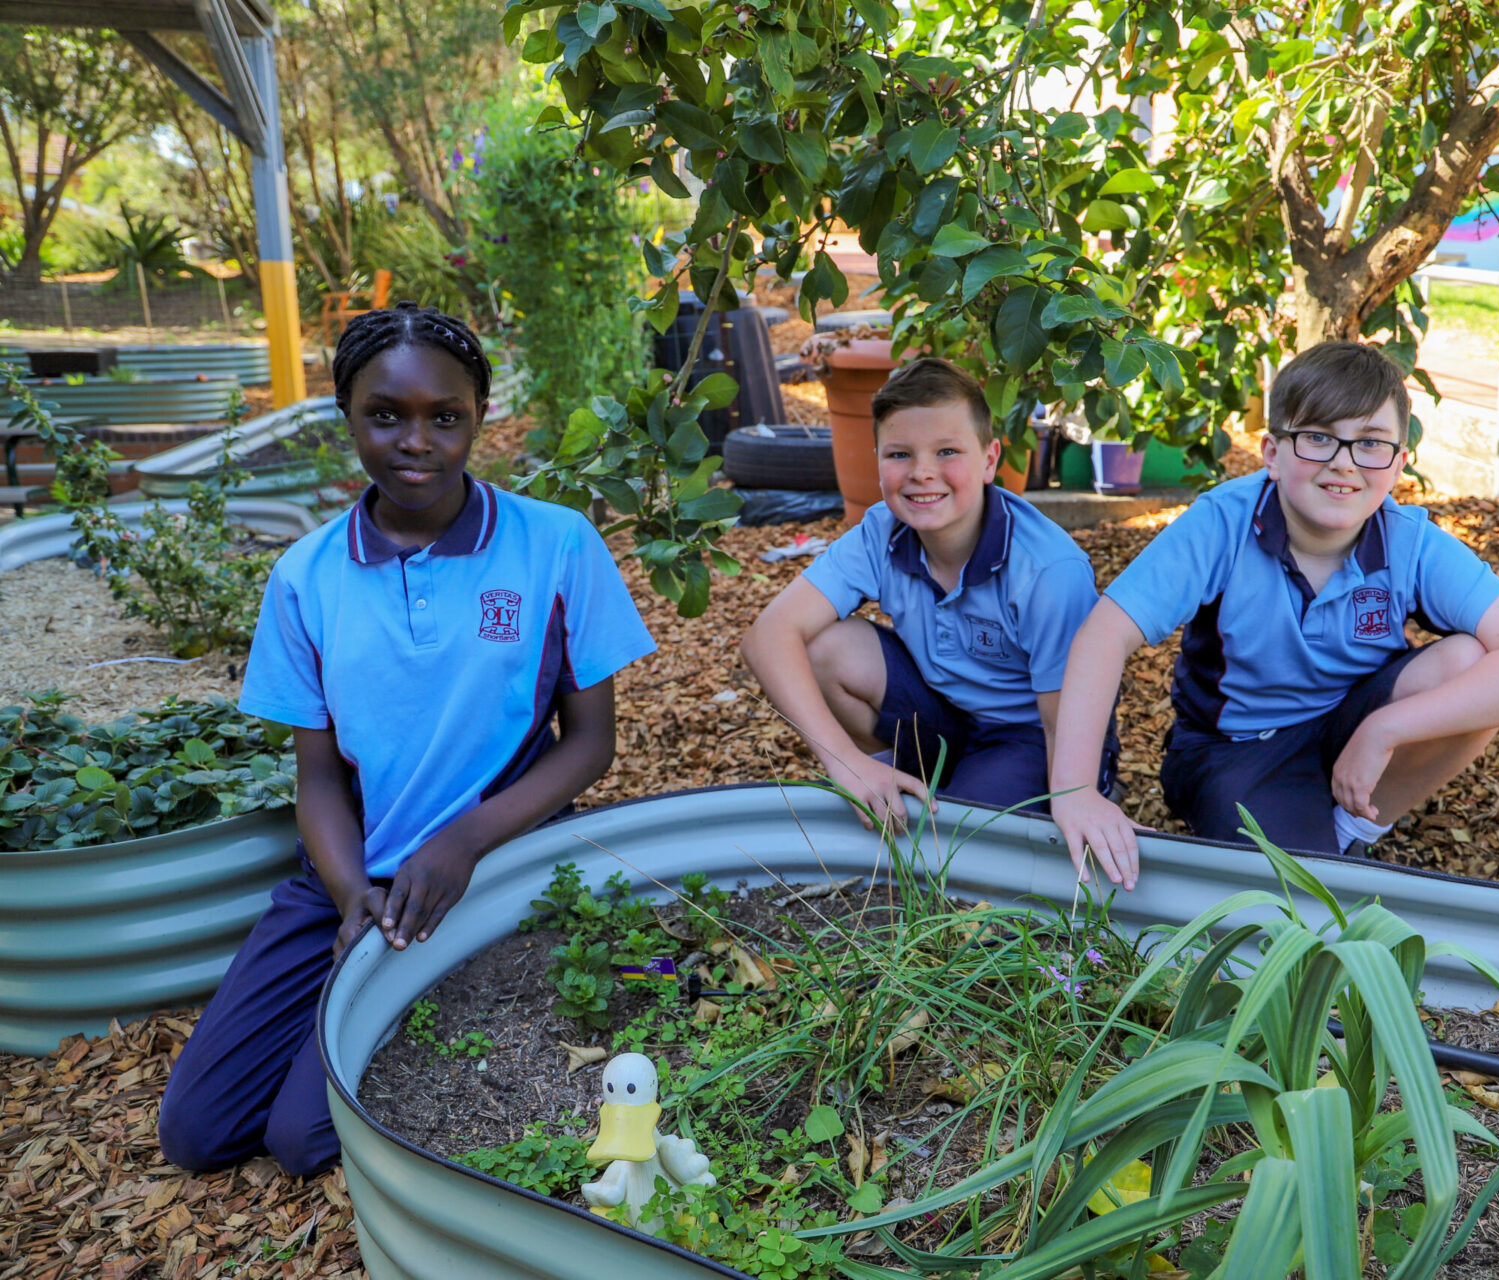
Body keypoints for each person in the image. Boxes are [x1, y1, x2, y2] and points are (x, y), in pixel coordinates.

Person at [157, 303, 655, 1177]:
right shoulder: (306, 576)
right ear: (346, 415)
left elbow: (589, 746)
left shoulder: (555, 545)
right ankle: (350, 984)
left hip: (485, 871)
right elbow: (316, 778)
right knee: (196, 1135)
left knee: (302, 1138)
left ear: (479, 418)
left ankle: (388, 1003)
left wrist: (462, 841)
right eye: (385, 415)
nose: (415, 441)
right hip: (346, 881)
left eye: (445, 417)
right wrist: (352, 897)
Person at [1049, 340, 1499, 890]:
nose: (1343, 463)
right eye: (1318, 438)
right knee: (1299, 899)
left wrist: (1383, 729)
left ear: (1398, 464)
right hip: (1235, 751)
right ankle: (1308, 838)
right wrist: (1076, 792)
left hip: (1345, 726)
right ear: (1272, 454)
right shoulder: (1223, 523)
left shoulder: (1409, 540)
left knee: (1471, 659)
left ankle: (1349, 828)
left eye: (1370, 444)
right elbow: (1103, 635)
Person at [741, 357, 1110, 828]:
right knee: (823, 647)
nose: (922, 472)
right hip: (943, 716)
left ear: (990, 460)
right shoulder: (882, 530)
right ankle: (887, 777)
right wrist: (846, 763)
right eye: (899, 454)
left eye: (947, 452)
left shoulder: (1047, 569)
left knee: (959, 842)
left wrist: (1073, 799)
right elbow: (767, 637)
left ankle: (972, 795)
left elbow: (1064, 722)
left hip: (1035, 734)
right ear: (876, 461)